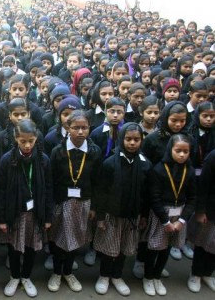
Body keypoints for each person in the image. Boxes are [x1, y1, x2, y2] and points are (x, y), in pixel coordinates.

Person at [94, 123, 153, 296]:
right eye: (128, 139)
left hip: (132, 215)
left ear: (142, 141)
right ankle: (104, 275)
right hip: (112, 214)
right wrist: (100, 217)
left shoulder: (145, 165)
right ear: (121, 139)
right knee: (108, 247)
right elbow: (101, 192)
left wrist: (144, 215)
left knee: (124, 247)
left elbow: (146, 194)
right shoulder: (110, 163)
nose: (132, 143)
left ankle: (117, 276)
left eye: (136, 139)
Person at [48, 110, 102, 293]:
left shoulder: (94, 152)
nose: (80, 132)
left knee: (75, 238)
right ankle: (56, 272)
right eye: (76, 128)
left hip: (82, 202)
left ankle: (68, 272)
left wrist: (94, 206)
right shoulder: (58, 152)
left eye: (84, 128)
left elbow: (97, 181)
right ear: (67, 128)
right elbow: (51, 180)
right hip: (61, 202)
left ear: (89, 129)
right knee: (57, 238)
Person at [0, 119, 52, 297]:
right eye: (23, 141)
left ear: (36, 138)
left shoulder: (43, 160)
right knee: (13, 247)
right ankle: (14, 276)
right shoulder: (7, 160)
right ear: (16, 139)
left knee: (31, 246)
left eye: (31, 141)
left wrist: (48, 217)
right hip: (15, 212)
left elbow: (48, 189)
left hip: (35, 213)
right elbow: (2, 190)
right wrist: (2, 218)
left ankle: (26, 276)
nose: (27, 145)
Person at [143, 134, 196, 296]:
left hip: (179, 214)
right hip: (161, 214)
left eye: (186, 151)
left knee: (167, 247)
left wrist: (182, 220)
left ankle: (157, 276)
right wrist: (165, 221)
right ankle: (148, 277)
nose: (182, 155)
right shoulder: (159, 169)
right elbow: (154, 198)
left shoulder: (190, 170)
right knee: (154, 247)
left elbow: (193, 198)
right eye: (178, 150)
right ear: (170, 149)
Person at [188, 148, 215, 292]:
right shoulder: (213, 156)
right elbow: (203, 185)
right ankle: (196, 273)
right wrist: (200, 210)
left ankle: (208, 274)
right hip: (211, 209)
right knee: (203, 241)